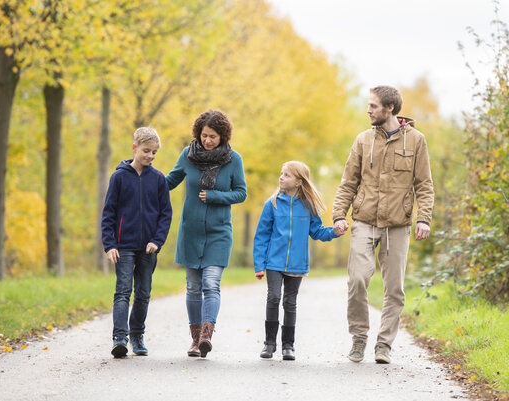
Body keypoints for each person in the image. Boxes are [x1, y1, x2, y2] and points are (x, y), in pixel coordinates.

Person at [333, 85, 434, 364]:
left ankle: (384, 345)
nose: (368, 110)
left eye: (373, 106)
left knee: (394, 289)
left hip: (398, 225)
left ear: (389, 108)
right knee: (357, 279)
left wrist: (423, 218)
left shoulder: (416, 141)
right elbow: (347, 183)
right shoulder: (363, 140)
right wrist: (339, 215)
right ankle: (359, 337)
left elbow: (424, 185)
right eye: (368, 105)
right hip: (364, 220)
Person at [166, 109, 247, 358]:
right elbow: (170, 181)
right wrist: (142, 175)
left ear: (223, 136)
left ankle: (206, 336)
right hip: (190, 232)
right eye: (204, 135)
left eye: (212, 136)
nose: (207, 140)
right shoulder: (187, 155)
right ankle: (194, 340)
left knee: (211, 284)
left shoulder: (234, 160)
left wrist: (215, 196)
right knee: (192, 287)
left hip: (218, 232)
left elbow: (241, 193)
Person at [253, 161, 342, 361]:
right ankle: (269, 343)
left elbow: (317, 231)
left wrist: (334, 232)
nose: (281, 177)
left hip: (297, 262)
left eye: (287, 175)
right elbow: (261, 236)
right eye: (281, 173)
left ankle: (288, 345)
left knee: (290, 302)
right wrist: (259, 264)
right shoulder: (272, 204)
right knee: (274, 297)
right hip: (273, 262)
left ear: (299, 182)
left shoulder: (308, 206)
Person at [101, 126, 173, 358]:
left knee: (143, 293)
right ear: (134, 148)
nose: (150, 156)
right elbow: (109, 213)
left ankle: (137, 335)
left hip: (148, 248)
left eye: (154, 152)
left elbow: (165, 214)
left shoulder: (159, 179)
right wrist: (110, 244)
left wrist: (157, 240)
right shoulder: (119, 177)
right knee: (123, 291)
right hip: (123, 245)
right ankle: (119, 338)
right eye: (146, 151)